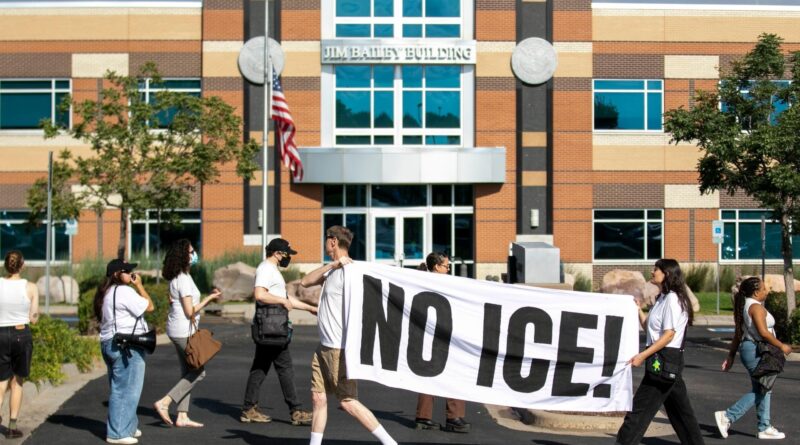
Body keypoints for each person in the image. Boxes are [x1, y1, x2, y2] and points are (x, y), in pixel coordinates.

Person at [300, 226, 398, 445]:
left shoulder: (351, 272)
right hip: (323, 346)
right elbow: (305, 282)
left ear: (333, 241)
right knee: (318, 398)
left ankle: (389, 442)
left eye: (326, 240)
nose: (325, 244)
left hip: (339, 347)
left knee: (347, 401)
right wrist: (332, 264)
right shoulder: (332, 270)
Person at [616, 259, 704, 445]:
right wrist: (639, 310)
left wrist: (642, 355)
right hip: (665, 363)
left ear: (667, 274)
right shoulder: (662, 298)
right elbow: (649, 328)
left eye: (656, 269)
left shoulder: (672, 299)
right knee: (682, 414)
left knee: (638, 413)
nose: (652, 271)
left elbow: (669, 335)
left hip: (663, 360)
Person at [240, 238, 315, 426]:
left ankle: (249, 409)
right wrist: (282, 302)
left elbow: (286, 298)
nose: (288, 257)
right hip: (271, 328)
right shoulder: (266, 269)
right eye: (286, 253)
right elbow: (260, 294)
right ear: (277, 253)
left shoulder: (272, 270)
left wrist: (310, 308)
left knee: (260, 368)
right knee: (284, 368)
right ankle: (295, 411)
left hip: (271, 327)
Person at [715, 276, 792, 440]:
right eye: (764, 289)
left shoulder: (746, 306)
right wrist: (781, 346)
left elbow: (738, 334)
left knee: (763, 388)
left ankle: (764, 427)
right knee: (762, 389)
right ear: (757, 292)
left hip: (750, 350)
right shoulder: (755, 307)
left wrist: (730, 356)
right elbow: (763, 332)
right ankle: (728, 416)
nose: (767, 291)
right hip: (757, 351)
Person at [153, 240, 221, 427]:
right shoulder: (182, 279)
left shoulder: (180, 276)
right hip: (183, 331)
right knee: (198, 372)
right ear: (183, 255)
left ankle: (182, 416)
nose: (194, 254)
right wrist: (210, 298)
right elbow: (189, 311)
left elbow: (173, 300)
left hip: (177, 329)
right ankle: (165, 402)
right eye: (191, 251)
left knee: (188, 371)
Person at [96, 259, 154, 445]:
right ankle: (117, 433)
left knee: (120, 387)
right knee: (127, 389)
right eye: (127, 271)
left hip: (109, 343)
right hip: (126, 346)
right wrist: (140, 286)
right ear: (116, 274)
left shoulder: (106, 292)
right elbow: (150, 306)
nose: (131, 274)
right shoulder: (124, 291)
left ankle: (127, 426)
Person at [414, 252, 470, 433]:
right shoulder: (441, 284)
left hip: (433, 336)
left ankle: (424, 418)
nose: (448, 269)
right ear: (437, 267)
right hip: (439, 336)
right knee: (454, 373)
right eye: (447, 266)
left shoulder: (421, 281)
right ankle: (453, 417)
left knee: (429, 375)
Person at [0, 251, 38, 439]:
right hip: (20, 333)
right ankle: (12, 427)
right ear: (22, 266)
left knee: (0, 382)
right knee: (17, 381)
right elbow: (34, 316)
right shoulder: (30, 287)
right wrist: (34, 317)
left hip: (0, 333)